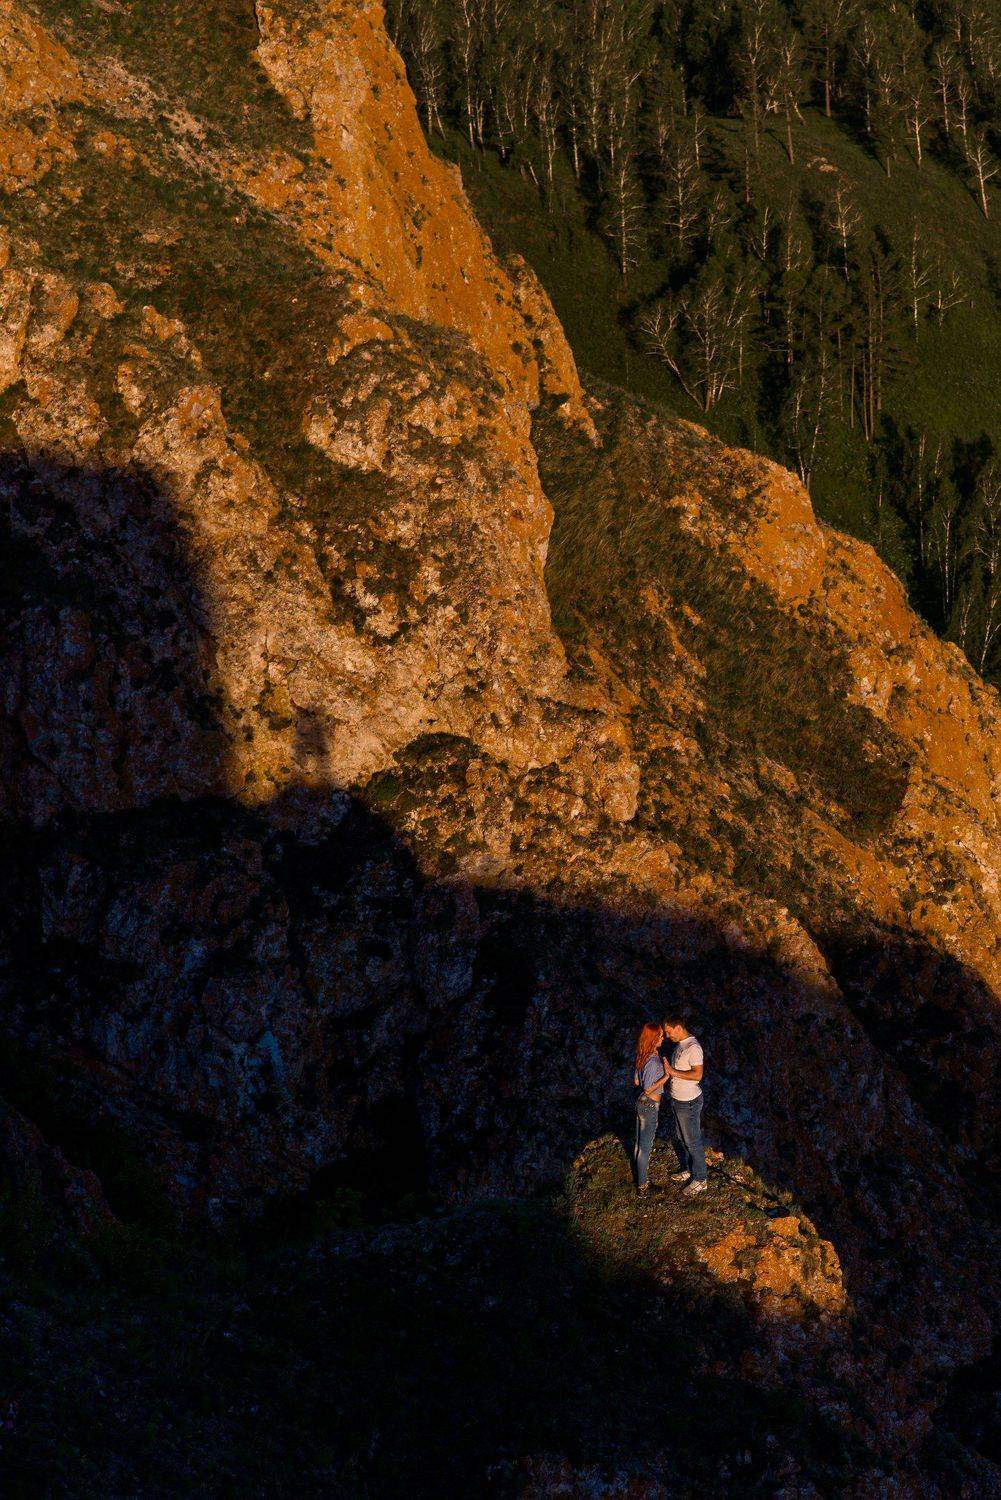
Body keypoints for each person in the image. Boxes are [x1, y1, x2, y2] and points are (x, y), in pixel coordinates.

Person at [661, 1013, 707, 1196]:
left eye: (669, 1032)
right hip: (678, 1100)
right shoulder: (681, 1044)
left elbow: (697, 1075)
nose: (667, 1036)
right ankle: (689, 1170)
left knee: (692, 1141)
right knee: (682, 1137)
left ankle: (701, 1179)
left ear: (678, 1027)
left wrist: (673, 1072)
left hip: (688, 1102)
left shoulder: (693, 1048)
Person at [632, 1021, 667, 1195]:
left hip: (641, 1103)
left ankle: (639, 1176)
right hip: (650, 1105)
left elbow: (636, 1081)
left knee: (639, 1144)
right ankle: (643, 1187)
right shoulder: (652, 1061)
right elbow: (647, 1088)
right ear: (653, 1038)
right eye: (660, 1035)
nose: (663, 1038)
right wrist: (666, 1076)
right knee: (645, 1147)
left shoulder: (643, 1055)